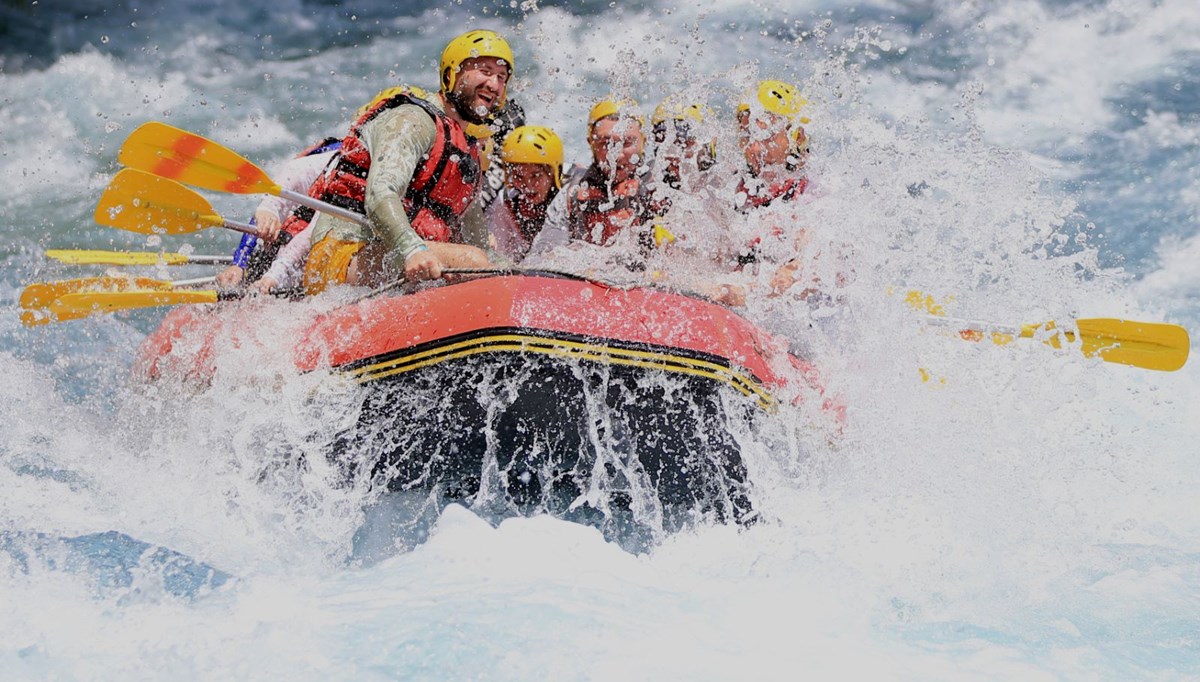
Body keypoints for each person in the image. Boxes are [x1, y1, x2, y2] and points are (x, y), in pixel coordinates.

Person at [300, 29, 514, 294]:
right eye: (484, 71)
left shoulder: (465, 154)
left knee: (489, 265)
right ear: (452, 73)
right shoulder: (413, 120)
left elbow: (478, 243)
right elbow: (381, 194)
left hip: (392, 257)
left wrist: (519, 274)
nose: (493, 84)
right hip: (340, 256)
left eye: (501, 77)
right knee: (472, 263)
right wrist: (413, 249)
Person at [528, 99, 663, 256]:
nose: (616, 156)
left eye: (627, 143)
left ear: (643, 142)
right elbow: (542, 258)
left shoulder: (663, 192)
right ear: (590, 143)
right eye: (605, 143)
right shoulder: (571, 195)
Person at [214, 137, 341, 290]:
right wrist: (240, 263)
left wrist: (275, 274)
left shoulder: (363, 163)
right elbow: (270, 209)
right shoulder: (325, 162)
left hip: (319, 232)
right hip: (295, 240)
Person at [484, 125, 563, 263]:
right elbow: (496, 256)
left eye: (536, 175)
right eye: (518, 176)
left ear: (554, 174)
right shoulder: (506, 202)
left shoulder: (572, 195)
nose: (528, 185)